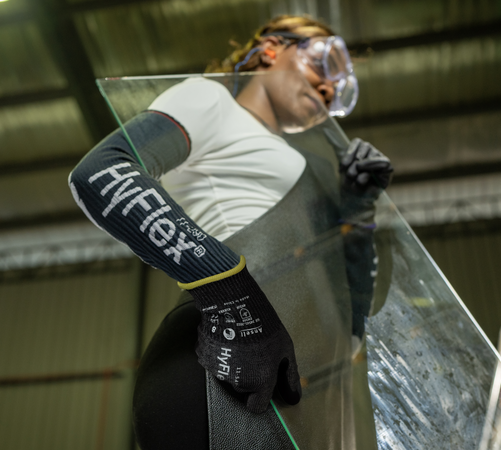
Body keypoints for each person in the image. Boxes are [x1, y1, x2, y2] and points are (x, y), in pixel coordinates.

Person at [68, 15, 393, 450]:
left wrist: (357, 207)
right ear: (271, 49)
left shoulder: (312, 168)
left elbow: (353, 318)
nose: (329, 87)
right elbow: (101, 172)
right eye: (323, 62)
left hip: (307, 392)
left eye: (341, 88)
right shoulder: (211, 100)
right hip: (230, 366)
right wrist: (232, 296)